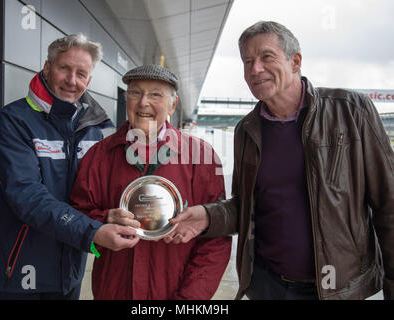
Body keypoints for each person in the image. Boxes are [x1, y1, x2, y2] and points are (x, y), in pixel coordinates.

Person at [166, 21, 394, 300]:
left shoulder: (351, 111)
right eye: (247, 61)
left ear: (295, 61)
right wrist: (208, 216)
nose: (255, 69)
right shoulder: (247, 130)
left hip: (339, 289)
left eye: (266, 57)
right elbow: (246, 206)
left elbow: (389, 205)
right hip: (267, 286)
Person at [0, 34, 139, 300]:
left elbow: (88, 197)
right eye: (64, 68)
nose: (71, 80)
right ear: (47, 68)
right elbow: (28, 198)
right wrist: (93, 231)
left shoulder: (94, 130)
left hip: (69, 273)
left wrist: (108, 217)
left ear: (88, 81)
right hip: (18, 274)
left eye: (81, 73)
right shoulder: (12, 122)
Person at [70, 64, 232, 300]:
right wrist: (101, 224)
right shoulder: (99, 156)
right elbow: (77, 221)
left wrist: (189, 300)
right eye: (135, 93)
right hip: (113, 292)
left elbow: (216, 239)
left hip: (175, 293)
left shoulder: (201, 157)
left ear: (173, 104)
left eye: (156, 94)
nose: (143, 102)